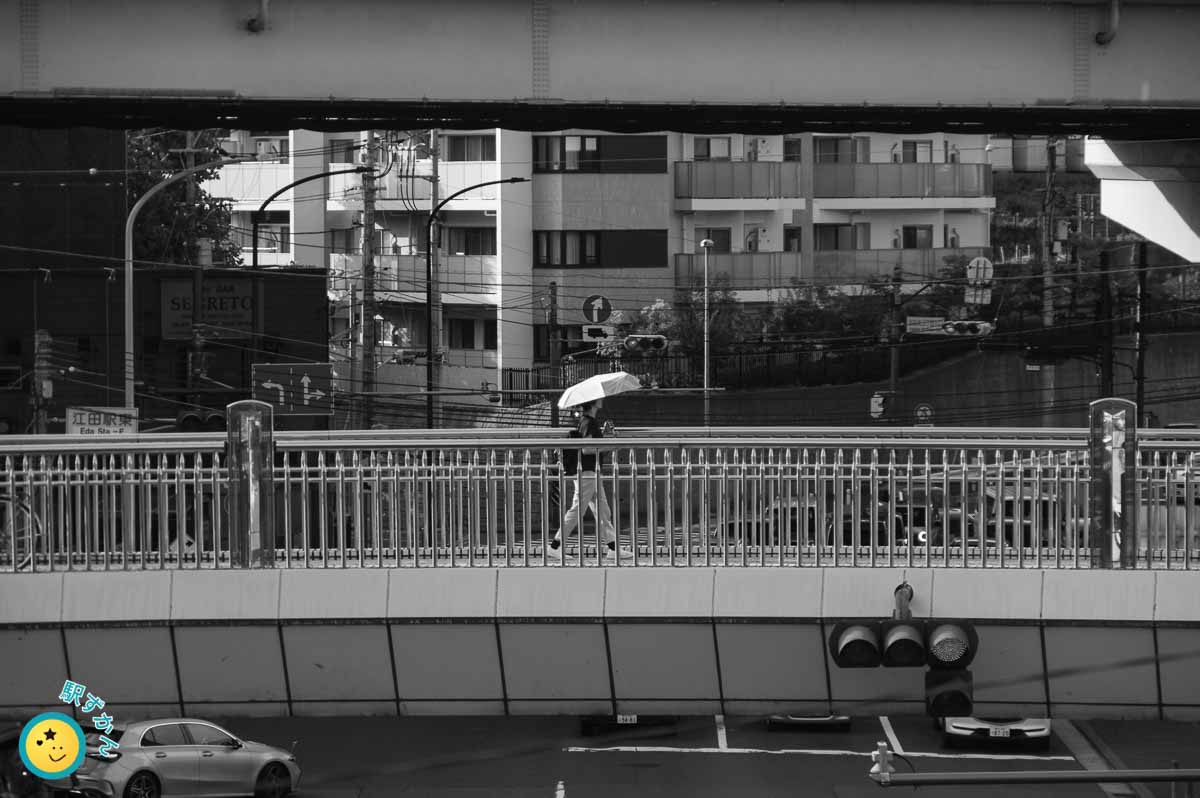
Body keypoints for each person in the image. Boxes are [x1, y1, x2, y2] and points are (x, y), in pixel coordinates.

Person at [547, 398, 633, 562]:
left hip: (590, 472)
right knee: (578, 510)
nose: (601, 400)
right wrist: (613, 445)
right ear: (594, 403)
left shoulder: (588, 422)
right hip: (587, 472)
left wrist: (607, 438)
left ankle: (613, 548)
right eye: (598, 399)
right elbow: (587, 449)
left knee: (603, 510)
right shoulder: (588, 423)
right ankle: (555, 546)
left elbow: (592, 445)